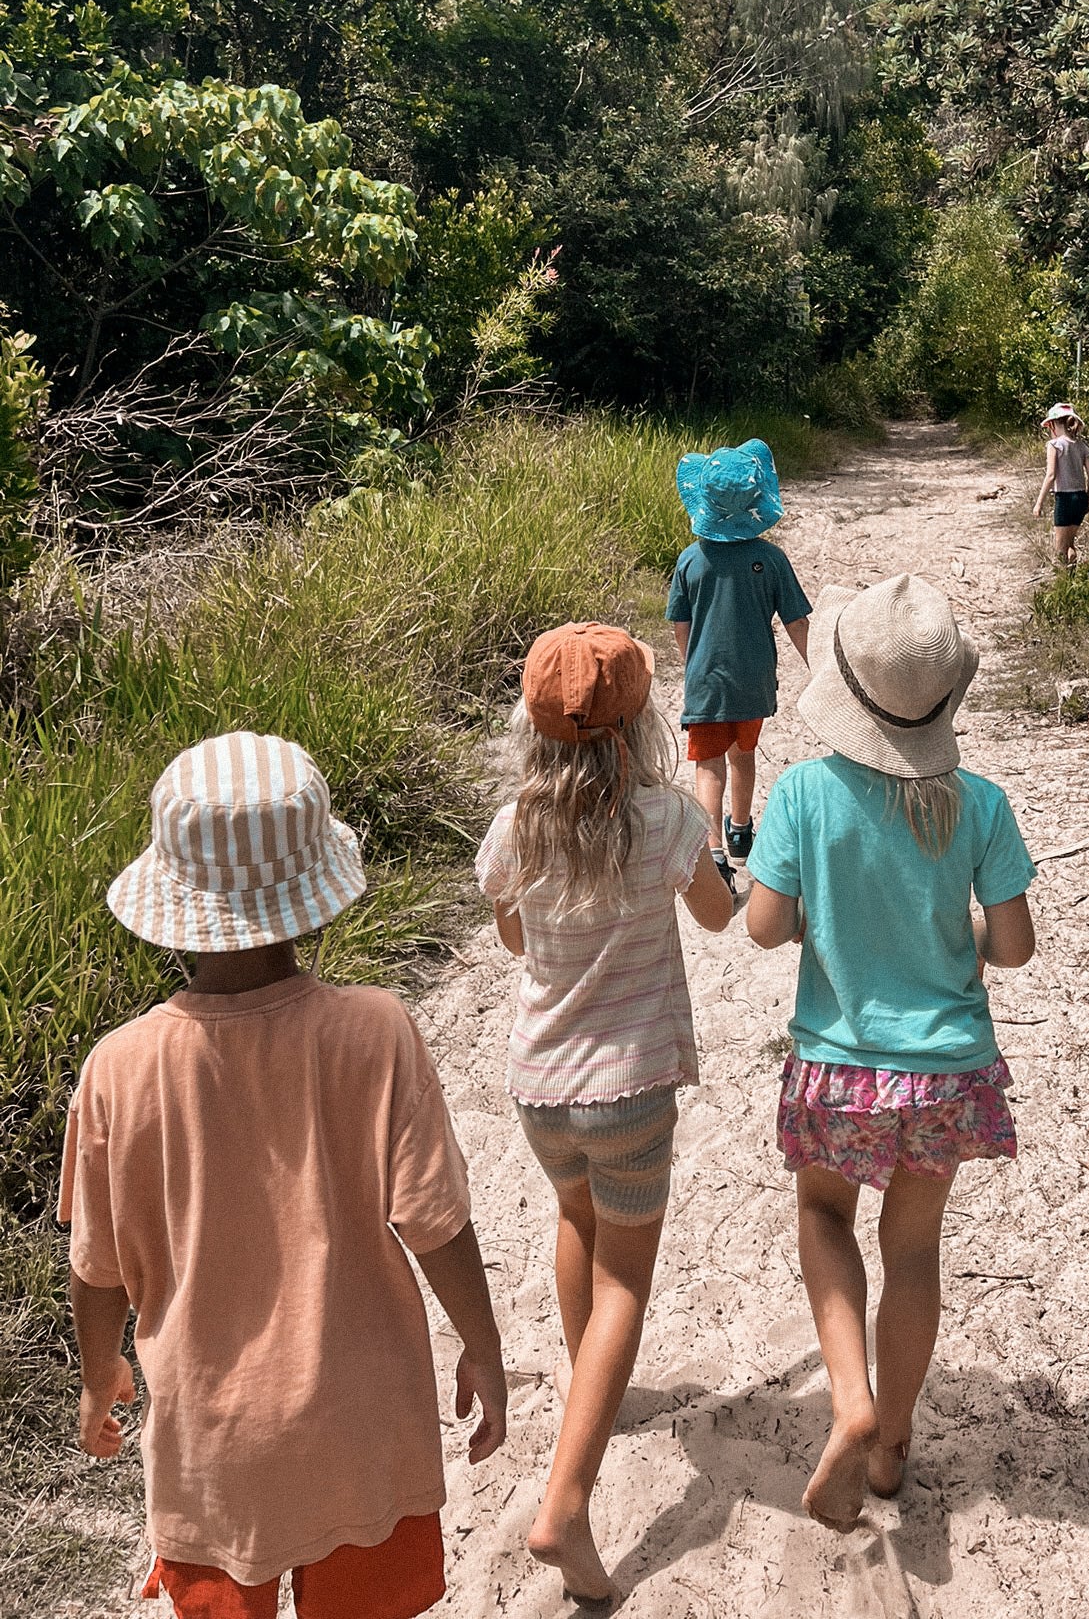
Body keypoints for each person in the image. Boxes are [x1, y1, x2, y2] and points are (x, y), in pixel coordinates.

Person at [60, 732, 508, 1619]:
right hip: (361, 1429)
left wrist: (97, 1370)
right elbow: (436, 1223)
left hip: (211, 1450)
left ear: (174, 904)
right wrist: (484, 1346)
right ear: (312, 898)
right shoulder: (375, 1031)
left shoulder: (118, 1069)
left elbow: (97, 1267)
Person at [744, 574, 1037, 1533]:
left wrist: (824, 921)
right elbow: (1013, 946)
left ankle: (849, 1398)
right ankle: (892, 1442)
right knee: (913, 1249)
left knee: (823, 1216)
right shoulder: (982, 805)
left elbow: (763, 926)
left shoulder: (802, 794)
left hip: (837, 1068)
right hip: (946, 1072)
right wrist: (965, 938)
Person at [475, 622, 734, 1602]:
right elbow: (716, 915)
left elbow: (513, 940)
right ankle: (567, 1503)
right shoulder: (666, 818)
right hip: (630, 1085)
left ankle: (592, 1388)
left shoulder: (516, 828)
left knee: (574, 1220)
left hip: (540, 1084)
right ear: (637, 726)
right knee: (627, 1272)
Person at [666, 437, 813, 899]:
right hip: (754, 680)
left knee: (708, 766)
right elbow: (796, 622)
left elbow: (681, 625)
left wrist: (692, 666)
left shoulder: (691, 560)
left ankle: (715, 855)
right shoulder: (770, 559)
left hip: (706, 682)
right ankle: (741, 830)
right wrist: (820, 668)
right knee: (743, 753)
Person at [1033, 401, 1089, 566]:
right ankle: (1072, 577)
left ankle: (1065, 579)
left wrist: (1039, 503)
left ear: (1052, 424)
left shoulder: (1054, 445)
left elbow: (1051, 475)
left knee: (1060, 548)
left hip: (1064, 499)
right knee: (1070, 544)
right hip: (1081, 498)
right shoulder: (1081, 445)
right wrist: (1088, 498)